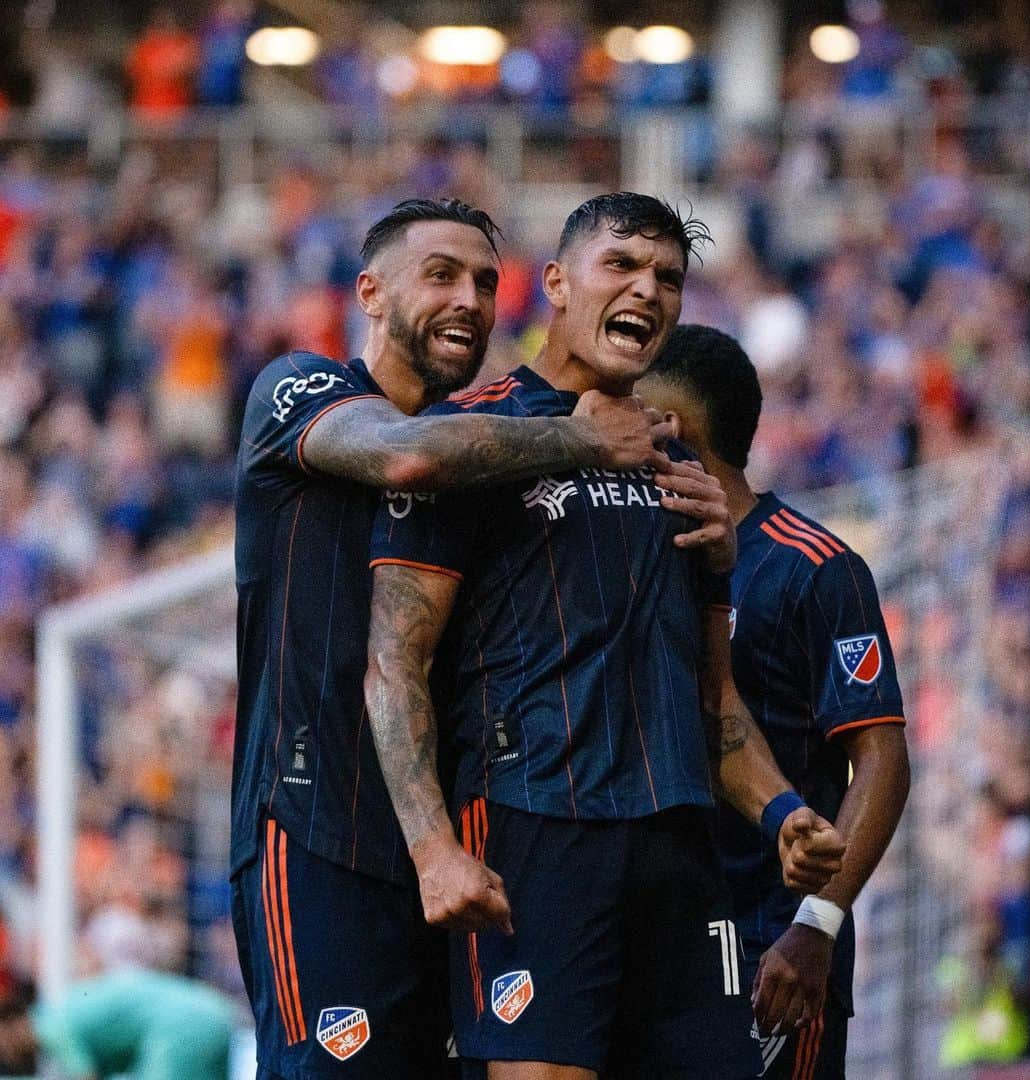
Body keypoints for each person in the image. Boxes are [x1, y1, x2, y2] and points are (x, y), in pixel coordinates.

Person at [365, 193, 846, 1080]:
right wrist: (434, 849)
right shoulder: (473, 437)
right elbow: (395, 663)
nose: (649, 291)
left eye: (668, 277)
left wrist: (783, 811)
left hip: (676, 847)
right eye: (620, 265)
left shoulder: (682, 468)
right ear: (554, 282)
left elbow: (712, 699)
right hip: (533, 830)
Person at [231, 197, 674, 1079]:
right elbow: (407, 457)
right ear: (371, 292)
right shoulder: (300, 387)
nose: (470, 300)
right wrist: (581, 441)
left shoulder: (498, 447)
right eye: (440, 275)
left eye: (482, 282)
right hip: (316, 825)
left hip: (458, 838)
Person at [639, 324, 910, 1079]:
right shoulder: (638, 556)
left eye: (634, 410)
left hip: (772, 948)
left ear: (674, 430)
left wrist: (816, 926)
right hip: (661, 943)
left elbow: (883, 758)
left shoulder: (815, 568)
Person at [0, 970, 235, 1079]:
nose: (7, 1054)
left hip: (179, 1030)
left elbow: (86, 1076)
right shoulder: (66, 1005)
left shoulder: (49, 1026)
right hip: (214, 1013)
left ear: (12, 1027)